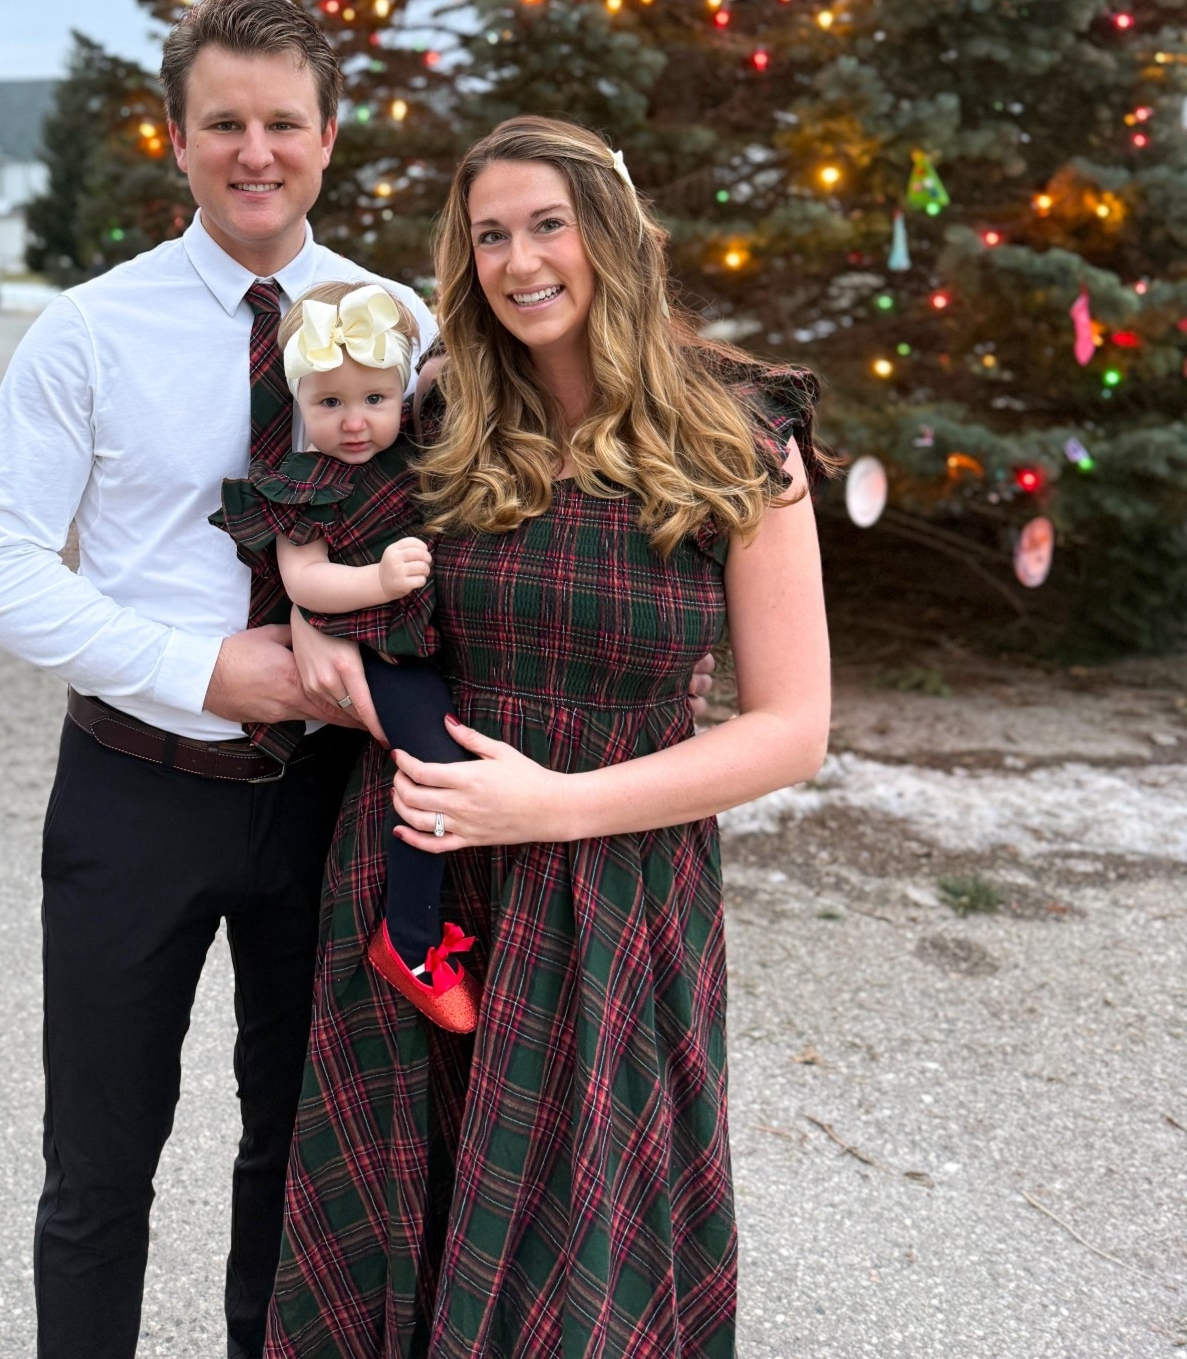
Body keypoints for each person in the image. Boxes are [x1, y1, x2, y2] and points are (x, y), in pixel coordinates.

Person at [267, 115, 833, 1359]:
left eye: (548, 224)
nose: (520, 260)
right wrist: (322, 642)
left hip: (620, 892)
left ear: (612, 235)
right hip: (423, 880)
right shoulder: (433, 419)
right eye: (488, 236)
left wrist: (556, 805)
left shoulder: (740, 439)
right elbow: (312, 566)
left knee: (589, 1267)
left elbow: (794, 730)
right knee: (399, 1232)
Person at [0, 0, 435, 1359]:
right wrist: (201, 668)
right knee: (98, 1172)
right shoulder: (91, 332)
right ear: (177, 138)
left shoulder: (409, 329)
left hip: (335, 802)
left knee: (299, 1160)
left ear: (332, 138)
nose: (254, 151)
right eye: (225, 123)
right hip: (136, 792)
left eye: (284, 122)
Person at [210, 279, 482, 1035]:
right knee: (436, 766)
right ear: (300, 402)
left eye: (373, 399)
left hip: (437, 641)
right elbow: (304, 581)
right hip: (382, 652)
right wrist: (377, 579)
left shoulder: (418, 455)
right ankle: (412, 941)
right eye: (329, 404)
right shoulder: (304, 488)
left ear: (401, 395)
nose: (354, 422)